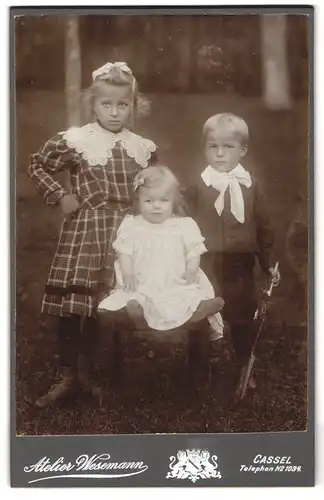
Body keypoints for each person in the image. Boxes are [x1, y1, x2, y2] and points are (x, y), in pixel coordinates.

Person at [28, 61, 157, 408]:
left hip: (125, 233)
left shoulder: (142, 147)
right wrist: (61, 196)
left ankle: (105, 375)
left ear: (134, 105)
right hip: (86, 231)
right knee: (75, 308)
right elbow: (37, 164)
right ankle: (70, 375)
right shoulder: (77, 140)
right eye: (106, 104)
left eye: (122, 104)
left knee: (110, 305)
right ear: (93, 104)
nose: (114, 112)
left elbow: (154, 188)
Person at [185, 113, 280, 388]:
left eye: (227, 147)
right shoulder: (199, 185)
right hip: (207, 262)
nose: (219, 153)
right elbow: (183, 222)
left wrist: (268, 263)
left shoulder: (250, 185)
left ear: (242, 150)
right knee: (200, 313)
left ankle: (243, 364)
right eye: (212, 146)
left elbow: (263, 227)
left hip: (240, 263)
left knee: (241, 316)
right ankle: (198, 371)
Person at [98, 165, 224, 337]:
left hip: (176, 281)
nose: (156, 206)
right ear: (138, 201)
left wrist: (191, 270)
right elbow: (124, 253)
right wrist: (128, 274)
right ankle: (139, 314)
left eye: (164, 201)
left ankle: (197, 311)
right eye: (149, 201)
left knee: (187, 295)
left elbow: (193, 251)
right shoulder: (133, 225)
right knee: (137, 297)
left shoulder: (184, 225)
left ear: (174, 201)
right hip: (143, 280)